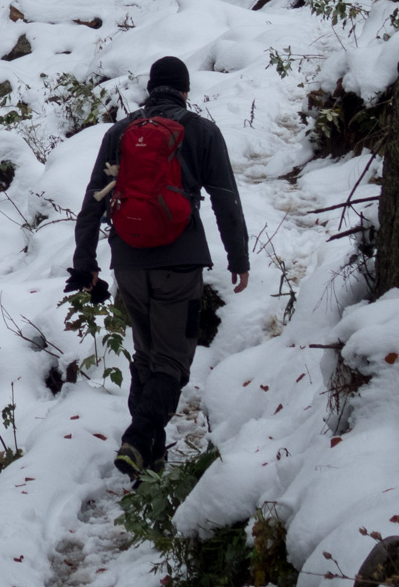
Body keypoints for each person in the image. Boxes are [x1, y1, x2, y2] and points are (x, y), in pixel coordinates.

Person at [68, 55, 250, 482]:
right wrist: (238, 258)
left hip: (128, 262)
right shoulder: (201, 131)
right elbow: (226, 199)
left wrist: (85, 263)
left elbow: (93, 200)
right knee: (172, 362)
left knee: (147, 357)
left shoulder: (120, 132)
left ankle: (149, 462)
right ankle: (139, 436)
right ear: (185, 90)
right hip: (179, 262)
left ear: (150, 89)